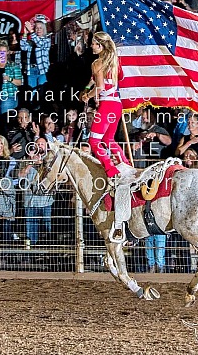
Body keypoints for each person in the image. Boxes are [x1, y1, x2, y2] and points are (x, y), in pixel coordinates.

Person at [81, 32, 133, 241]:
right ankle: (124, 162)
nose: (91, 46)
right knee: (109, 140)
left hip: (106, 104)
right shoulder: (114, 61)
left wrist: (88, 95)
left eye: (94, 44)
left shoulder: (97, 63)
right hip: (117, 104)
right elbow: (105, 81)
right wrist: (87, 89)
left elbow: (99, 87)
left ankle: (111, 169)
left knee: (94, 141)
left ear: (100, 46)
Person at [19, 137, 54, 246]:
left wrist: (41, 163)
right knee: (31, 232)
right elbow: (20, 176)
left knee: (48, 231)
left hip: (46, 202)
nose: (40, 146)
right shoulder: (25, 160)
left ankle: (48, 255)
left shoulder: (50, 161)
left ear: (46, 147)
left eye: (42, 144)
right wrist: (30, 163)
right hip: (30, 203)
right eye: (38, 144)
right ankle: (31, 255)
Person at [20, 21, 51, 91]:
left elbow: (40, 44)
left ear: (44, 30)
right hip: (31, 69)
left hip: (42, 70)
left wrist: (31, 31)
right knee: (31, 92)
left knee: (41, 91)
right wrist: (25, 33)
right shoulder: (31, 41)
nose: (38, 30)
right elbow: (23, 47)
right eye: (36, 28)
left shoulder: (47, 40)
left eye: (40, 28)